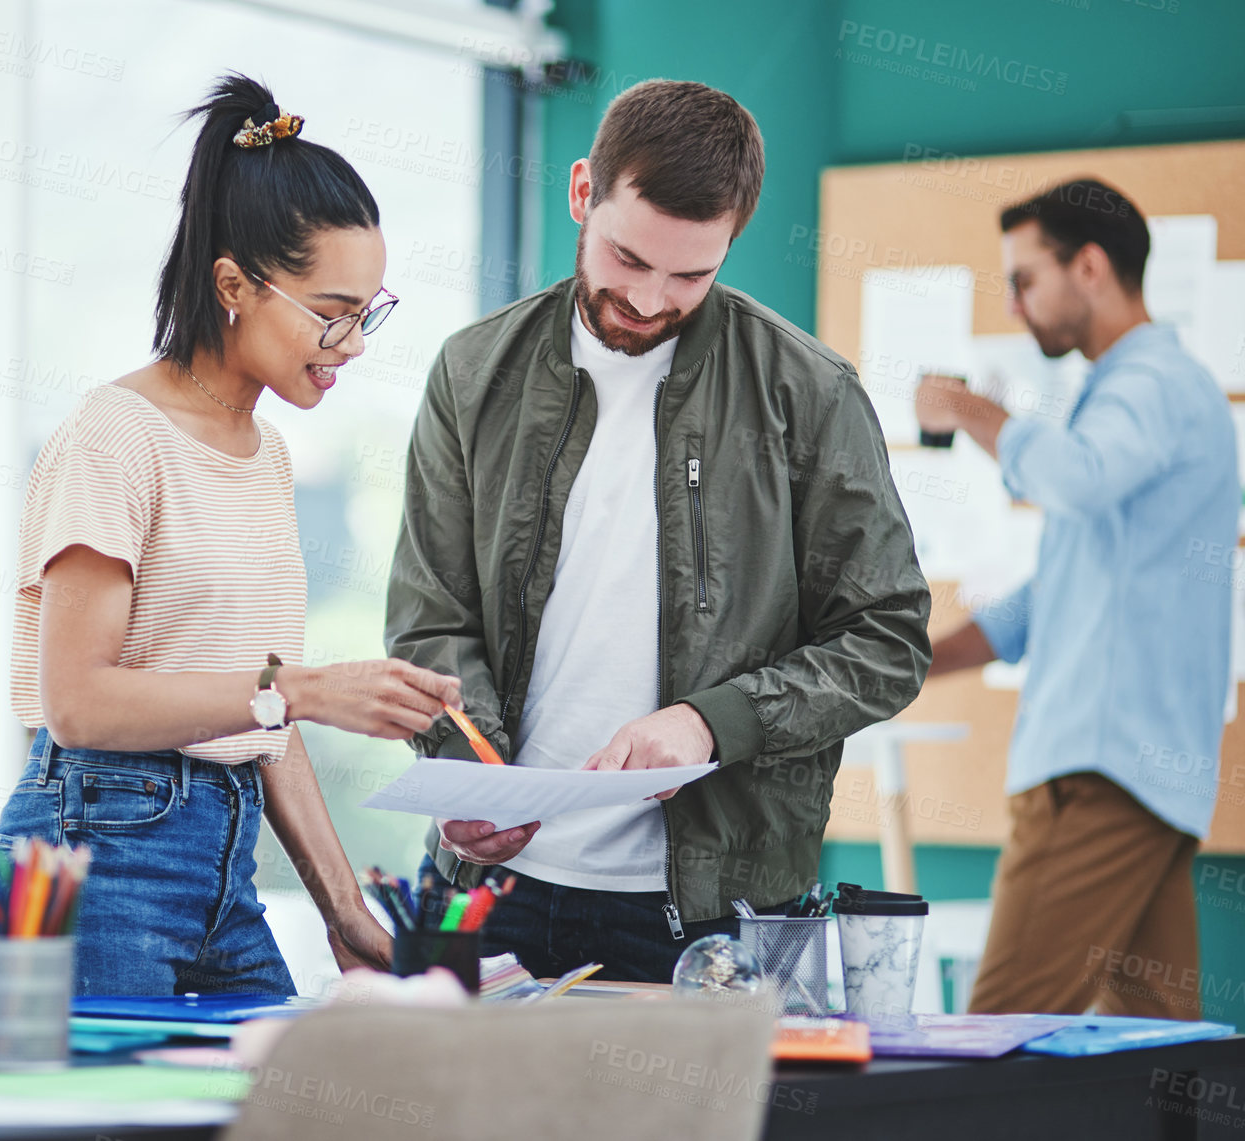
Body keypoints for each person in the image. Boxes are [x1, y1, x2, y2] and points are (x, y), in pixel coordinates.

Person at [384, 79, 930, 983]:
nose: (647, 298)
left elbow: (887, 639)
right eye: (627, 258)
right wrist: (469, 769)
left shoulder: (809, 393)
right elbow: (430, 620)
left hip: (717, 914)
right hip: (487, 891)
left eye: (691, 275)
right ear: (580, 193)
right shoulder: (473, 372)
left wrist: (710, 725)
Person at [0, 74, 462, 997]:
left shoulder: (266, 454)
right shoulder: (114, 435)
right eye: (332, 312)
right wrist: (307, 688)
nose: (354, 342)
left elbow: (262, 716)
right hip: (101, 847)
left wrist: (343, 910)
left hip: (223, 859)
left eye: (369, 312)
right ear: (235, 284)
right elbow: (79, 702)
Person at [916, 178, 1236, 1019]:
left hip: (1096, 772)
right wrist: (914, 661)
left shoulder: (1152, 384)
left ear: (1089, 266)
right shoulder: (1140, 396)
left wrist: (966, 409)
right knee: (1154, 1054)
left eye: (1025, 279)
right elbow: (1057, 594)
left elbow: (1077, 480)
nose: (1017, 306)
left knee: (995, 1034)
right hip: (1146, 784)